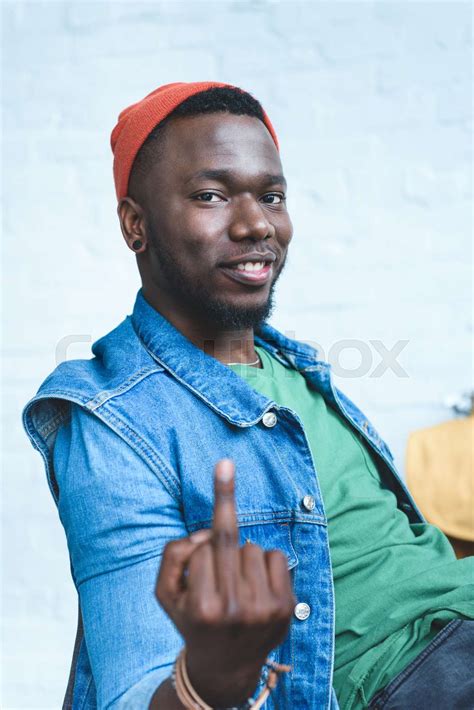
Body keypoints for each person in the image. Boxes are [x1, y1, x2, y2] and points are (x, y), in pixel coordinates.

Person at [23, 82, 473, 710]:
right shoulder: (111, 420)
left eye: (271, 196)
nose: (256, 222)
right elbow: (133, 688)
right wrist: (209, 680)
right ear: (135, 225)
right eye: (211, 195)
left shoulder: (297, 365)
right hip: (415, 677)